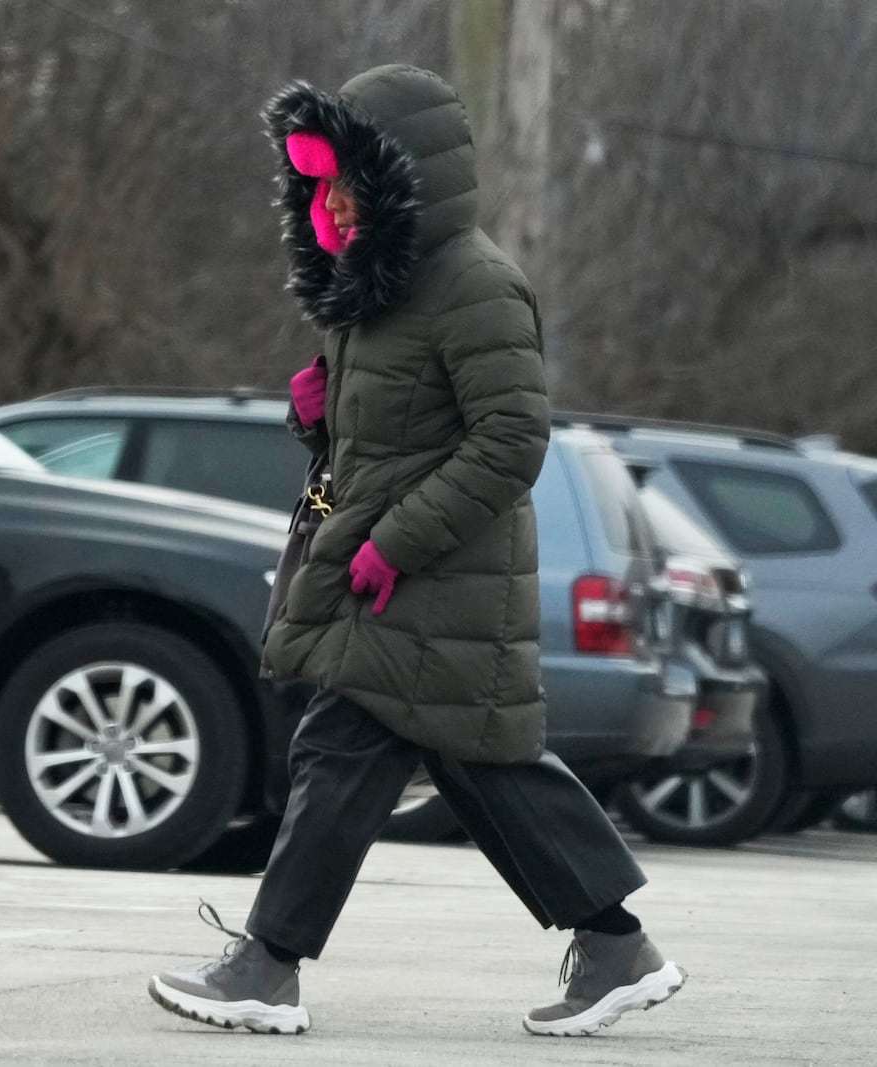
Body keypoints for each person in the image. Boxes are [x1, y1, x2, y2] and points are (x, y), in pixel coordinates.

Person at [147, 66, 685, 1036]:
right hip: (388, 567)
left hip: (433, 575)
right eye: (315, 183)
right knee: (480, 757)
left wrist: (397, 541)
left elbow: (510, 439)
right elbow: (385, 435)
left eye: (343, 178)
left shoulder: (474, 282)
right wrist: (309, 417)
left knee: (341, 747)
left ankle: (265, 965)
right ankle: (614, 943)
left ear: (401, 174)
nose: (328, 199)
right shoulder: (375, 286)